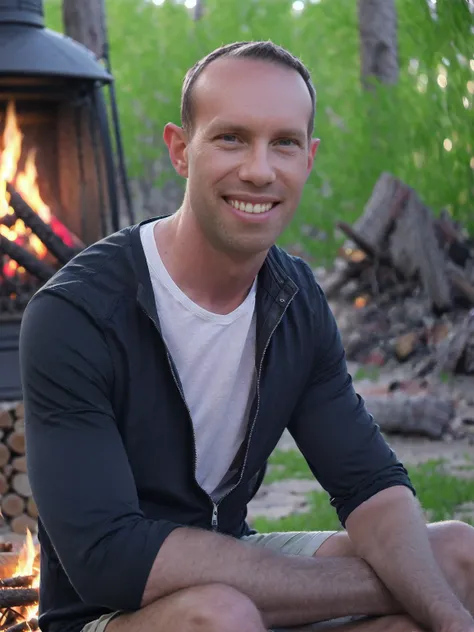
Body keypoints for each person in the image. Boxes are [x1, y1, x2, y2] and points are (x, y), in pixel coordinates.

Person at [20, 41, 474, 632]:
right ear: (181, 150)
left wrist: (443, 612)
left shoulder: (294, 300)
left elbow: (368, 484)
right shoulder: (76, 313)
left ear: (308, 159)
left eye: (283, 143)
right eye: (232, 138)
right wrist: (396, 590)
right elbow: (107, 558)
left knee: (458, 556)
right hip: (105, 609)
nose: (260, 170)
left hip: (228, 557)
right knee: (225, 614)